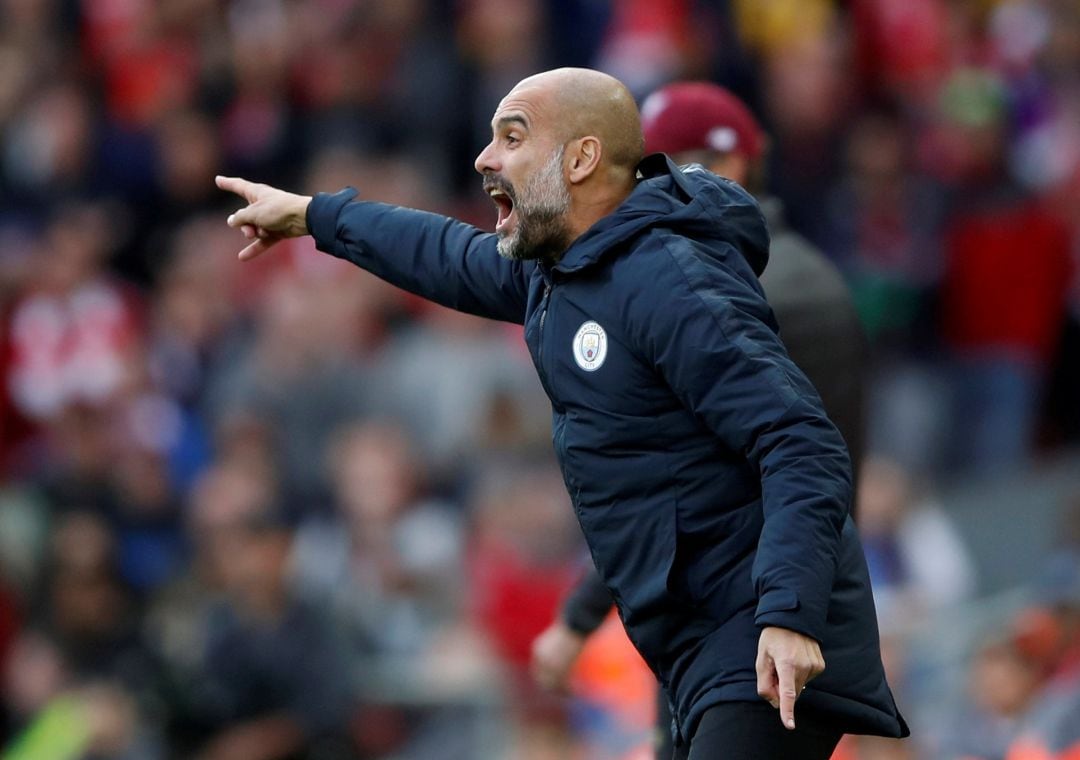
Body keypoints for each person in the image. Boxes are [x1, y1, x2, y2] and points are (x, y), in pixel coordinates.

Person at [216, 67, 908, 759]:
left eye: (512, 136)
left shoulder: (668, 276)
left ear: (580, 160)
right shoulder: (564, 273)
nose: (485, 159)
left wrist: (788, 612)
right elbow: (446, 254)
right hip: (697, 641)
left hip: (757, 628)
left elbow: (799, 439)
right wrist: (314, 217)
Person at [530, 81, 872, 759]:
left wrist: (579, 618)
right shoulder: (749, 272)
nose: (676, 182)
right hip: (742, 599)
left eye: (696, 161)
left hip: (759, 607)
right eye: (660, 164)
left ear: (744, 162)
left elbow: (681, 483)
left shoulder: (750, 287)